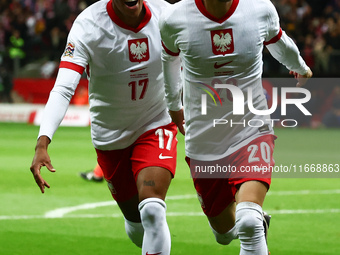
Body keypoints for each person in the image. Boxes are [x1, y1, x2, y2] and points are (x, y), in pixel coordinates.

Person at [159, 0, 312, 254]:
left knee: (249, 223)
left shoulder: (259, 8)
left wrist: (300, 67)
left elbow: (278, 41)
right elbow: (169, 61)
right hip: (203, 139)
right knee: (224, 232)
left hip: (251, 128)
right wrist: (174, 104)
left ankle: (254, 220)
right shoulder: (174, 18)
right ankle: (251, 222)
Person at [30, 1, 177, 254]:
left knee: (152, 209)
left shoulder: (167, 15)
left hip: (156, 124)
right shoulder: (88, 26)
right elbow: (64, 88)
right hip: (110, 137)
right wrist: (43, 141)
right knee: (137, 224)